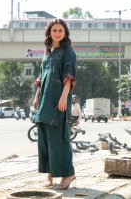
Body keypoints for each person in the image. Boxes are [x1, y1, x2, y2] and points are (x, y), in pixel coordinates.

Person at [32, 18, 77, 190]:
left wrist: (64, 97)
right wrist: (37, 96)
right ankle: (49, 175)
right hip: (44, 101)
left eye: (60, 30)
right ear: (49, 32)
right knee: (43, 138)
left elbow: (69, 76)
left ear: (65, 33)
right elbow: (42, 77)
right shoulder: (48, 52)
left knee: (59, 139)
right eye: (54, 30)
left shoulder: (68, 52)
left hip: (59, 100)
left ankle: (68, 174)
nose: (57, 33)